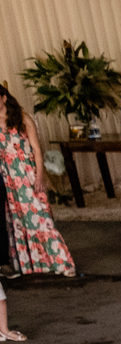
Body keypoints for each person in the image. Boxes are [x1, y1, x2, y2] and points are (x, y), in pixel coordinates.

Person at [0, 84, 76, 278]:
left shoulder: (22, 118)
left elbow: (37, 148)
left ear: (4, 98)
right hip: (9, 178)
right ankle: (31, 264)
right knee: (19, 221)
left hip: (27, 173)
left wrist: (40, 175)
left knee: (41, 217)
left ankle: (62, 262)